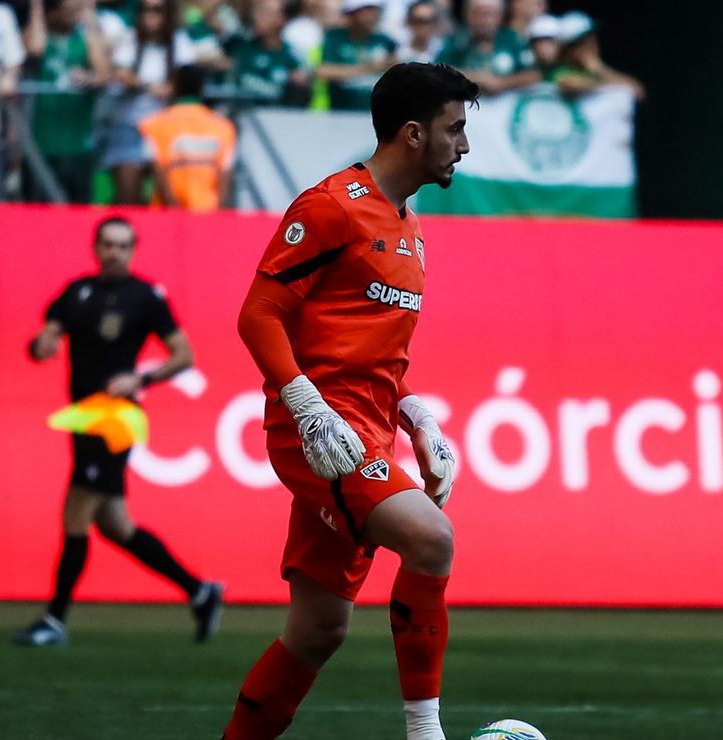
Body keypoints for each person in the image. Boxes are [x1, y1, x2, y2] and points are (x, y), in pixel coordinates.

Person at [226, 61, 478, 739]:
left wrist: (419, 419)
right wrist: (307, 406)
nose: (465, 144)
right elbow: (258, 316)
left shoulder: (411, 231)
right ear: (413, 133)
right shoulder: (330, 206)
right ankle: (425, 733)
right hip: (317, 436)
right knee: (432, 539)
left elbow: (373, 359)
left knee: (316, 632)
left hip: (368, 431)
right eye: (455, 129)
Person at [14, 215, 224, 647]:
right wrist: (42, 346)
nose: (115, 252)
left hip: (115, 419)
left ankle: (55, 620)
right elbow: (44, 338)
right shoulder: (77, 293)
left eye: (124, 245)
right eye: (109, 244)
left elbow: (184, 354)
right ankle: (200, 592)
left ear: (133, 249)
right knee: (115, 525)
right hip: (83, 417)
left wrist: (141, 379)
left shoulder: (145, 297)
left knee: (75, 512)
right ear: (96, 247)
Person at [104, 0, 194, 204]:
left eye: (156, 10)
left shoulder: (178, 41)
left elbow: (186, 79)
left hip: (166, 129)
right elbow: (120, 73)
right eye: (144, 9)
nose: (149, 14)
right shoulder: (130, 38)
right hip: (130, 125)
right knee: (129, 193)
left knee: (168, 196)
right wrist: (149, 86)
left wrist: (163, 88)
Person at [22, 0, 110, 203]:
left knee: (78, 209)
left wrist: (90, 79)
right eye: (68, 8)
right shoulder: (45, 39)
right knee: (39, 209)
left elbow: (104, 73)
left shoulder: (84, 39)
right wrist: (37, 6)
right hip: (41, 145)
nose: (73, 12)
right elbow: (35, 47)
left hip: (79, 146)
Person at [138, 64, 237, 211]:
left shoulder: (155, 123)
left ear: (174, 86)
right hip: (208, 212)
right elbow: (225, 172)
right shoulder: (223, 126)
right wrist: (218, 211)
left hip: (166, 214)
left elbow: (158, 170)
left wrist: (173, 207)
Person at [434, 0, 534, 95]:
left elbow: (533, 74)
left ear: (501, 16)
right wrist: (475, 78)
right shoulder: (455, 40)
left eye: (491, 14)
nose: (485, 20)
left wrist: (502, 82)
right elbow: (438, 69)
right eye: (479, 13)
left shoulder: (513, 40)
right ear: (468, 14)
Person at [223, 0, 310, 107]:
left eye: (265, 13)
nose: (256, 17)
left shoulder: (292, 56)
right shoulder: (237, 44)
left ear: (283, 19)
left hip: (274, 117)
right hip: (235, 113)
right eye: (256, 12)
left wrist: (300, 85)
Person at [316, 0, 396, 111]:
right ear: (352, 13)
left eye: (374, 10)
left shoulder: (385, 40)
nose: (372, 15)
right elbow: (323, 71)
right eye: (367, 10)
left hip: (376, 114)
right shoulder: (335, 38)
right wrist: (368, 68)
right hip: (342, 113)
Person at [552, 11, 644, 101]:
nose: (591, 45)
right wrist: (603, 79)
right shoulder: (560, 70)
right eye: (582, 42)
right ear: (567, 50)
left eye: (591, 37)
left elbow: (638, 92)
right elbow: (568, 84)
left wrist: (599, 68)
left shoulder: (594, 71)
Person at [397, 0, 440, 64]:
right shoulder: (396, 48)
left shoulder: (444, 50)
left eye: (429, 21)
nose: (424, 26)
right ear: (409, 22)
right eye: (419, 21)